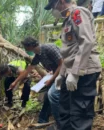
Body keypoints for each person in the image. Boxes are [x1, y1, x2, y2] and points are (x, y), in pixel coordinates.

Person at [44, 0, 102, 130]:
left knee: (79, 113)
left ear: (62, 1)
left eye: (53, 6)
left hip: (84, 70)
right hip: (69, 70)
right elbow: (68, 52)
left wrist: (75, 73)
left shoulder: (78, 12)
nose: (53, 10)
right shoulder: (67, 19)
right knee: (65, 110)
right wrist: (62, 74)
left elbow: (86, 42)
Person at [9, 37, 63, 129]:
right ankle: (42, 120)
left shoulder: (49, 48)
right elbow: (27, 70)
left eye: (25, 47)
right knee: (47, 96)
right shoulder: (38, 55)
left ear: (30, 46)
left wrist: (51, 79)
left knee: (52, 94)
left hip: (67, 72)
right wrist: (15, 82)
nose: (25, 49)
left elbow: (62, 63)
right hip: (56, 74)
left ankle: (61, 124)